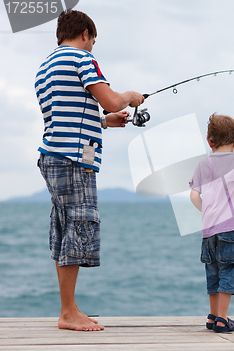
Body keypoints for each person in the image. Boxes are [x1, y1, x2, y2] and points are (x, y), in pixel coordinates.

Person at [35, 10, 144, 331]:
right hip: (75, 160)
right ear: (85, 34)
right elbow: (111, 99)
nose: (92, 47)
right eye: (93, 41)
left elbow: (67, 116)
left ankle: (69, 308)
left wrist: (104, 122)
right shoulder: (82, 59)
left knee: (64, 226)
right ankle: (68, 312)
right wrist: (130, 96)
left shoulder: (45, 68)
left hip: (53, 155)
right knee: (79, 224)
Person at [189, 113, 234, 333]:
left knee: (213, 271)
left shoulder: (202, 164)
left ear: (209, 141)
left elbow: (193, 196)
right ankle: (222, 319)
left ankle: (212, 316)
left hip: (209, 230)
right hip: (232, 228)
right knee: (229, 271)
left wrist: (207, 212)